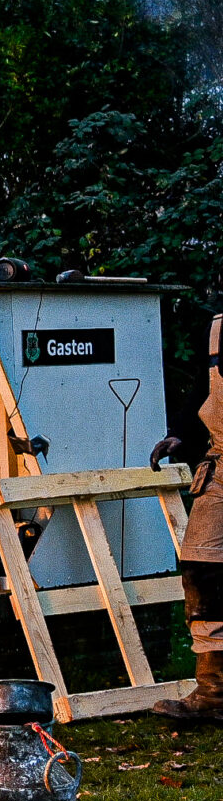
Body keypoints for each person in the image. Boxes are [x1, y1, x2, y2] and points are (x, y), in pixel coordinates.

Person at [153, 310, 223, 725]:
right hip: (220, 467)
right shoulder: (215, 329)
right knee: (203, 569)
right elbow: (204, 392)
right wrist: (179, 434)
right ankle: (213, 693)